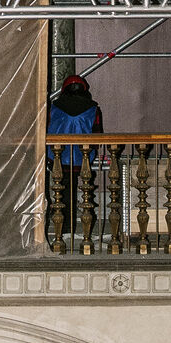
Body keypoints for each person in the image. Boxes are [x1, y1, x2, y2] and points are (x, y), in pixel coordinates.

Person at [46, 73, 104, 238]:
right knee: (87, 191)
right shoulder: (93, 108)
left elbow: (48, 128)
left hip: (58, 156)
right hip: (83, 156)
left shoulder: (54, 107)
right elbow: (97, 134)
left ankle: (63, 228)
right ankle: (86, 228)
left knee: (62, 191)